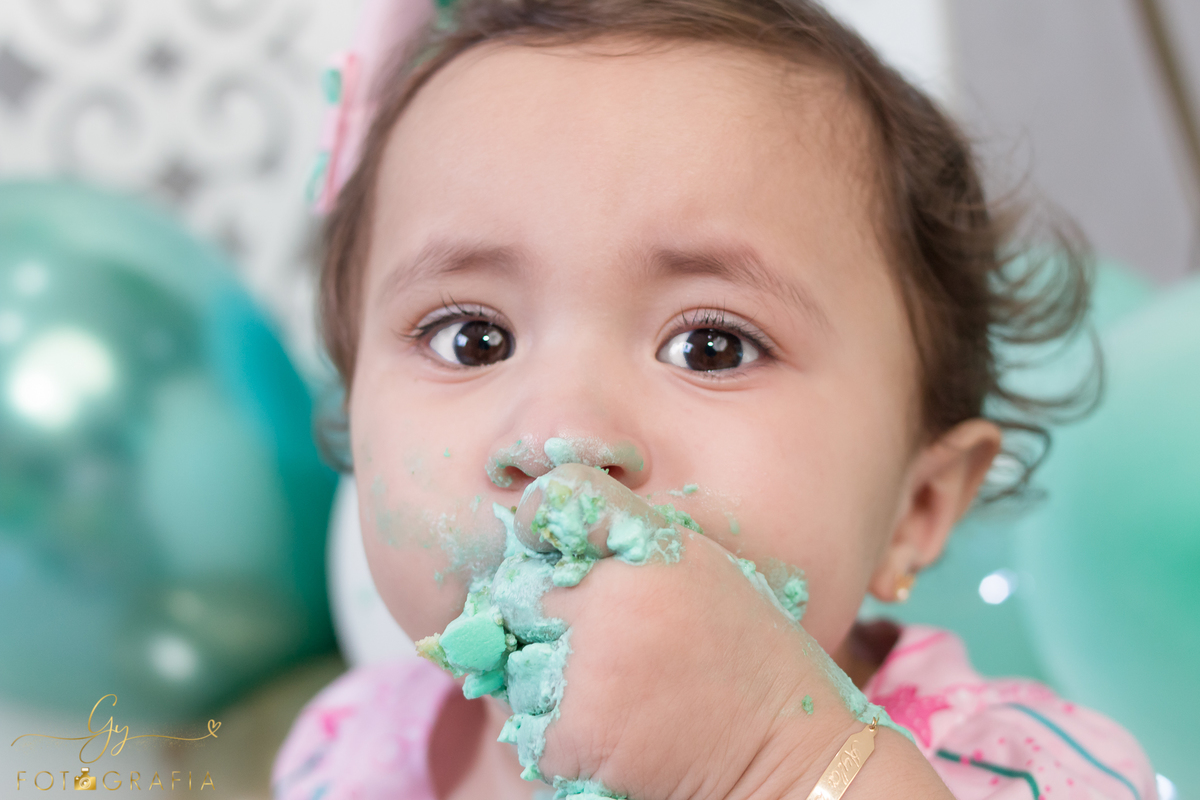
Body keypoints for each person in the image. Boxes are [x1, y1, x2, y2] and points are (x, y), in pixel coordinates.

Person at [272, 0, 1156, 798]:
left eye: (711, 347)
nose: (562, 436)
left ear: (916, 508)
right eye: (472, 338)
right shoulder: (348, 753)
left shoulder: (1013, 774)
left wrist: (779, 763)